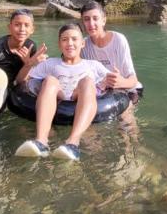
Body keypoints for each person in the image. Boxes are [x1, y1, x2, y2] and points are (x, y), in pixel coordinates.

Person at [14, 22, 108, 161]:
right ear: (59, 44)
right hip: (59, 96)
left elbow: (118, 82)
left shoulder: (93, 65)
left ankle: (73, 142)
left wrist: (113, 81)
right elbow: (20, 81)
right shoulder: (50, 63)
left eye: (74, 39)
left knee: (87, 81)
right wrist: (29, 64)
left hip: (79, 96)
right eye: (65, 39)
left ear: (82, 43)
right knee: (50, 80)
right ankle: (41, 141)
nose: (70, 43)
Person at [80, 0, 140, 96]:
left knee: (126, 109)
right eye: (86, 19)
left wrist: (120, 82)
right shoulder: (82, 45)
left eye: (95, 18)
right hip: (101, 90)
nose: (91, 24)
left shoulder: (118, 40)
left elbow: (133, 80)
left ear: (103, 20)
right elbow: (70, 66)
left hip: (127, 90)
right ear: (82, 22)